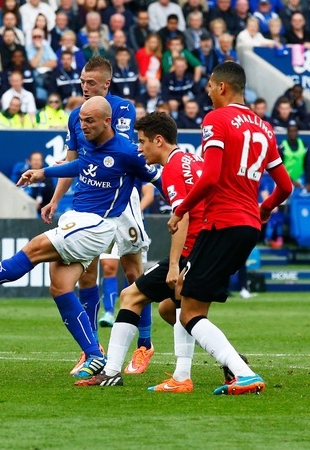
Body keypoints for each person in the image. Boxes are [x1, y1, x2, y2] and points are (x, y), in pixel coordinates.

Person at [0, 97, 162, 382]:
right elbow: (80, 165)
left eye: (89, 121)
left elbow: (158, 179)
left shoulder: (128, 151)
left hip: (98, 225)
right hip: (80, 219)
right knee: (60, 286)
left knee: (34, 248)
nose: (83, 126)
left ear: (107, 121)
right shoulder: (89, 143)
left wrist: (182, 206)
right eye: (81, 120)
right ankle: (94, 354)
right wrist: (43, 173)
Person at [162, 62, 293, 395]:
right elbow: (285, 187)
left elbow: (210, 177)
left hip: (221, 222)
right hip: (248, 226)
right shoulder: (265, 128)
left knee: (188, 311)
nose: (207, 92)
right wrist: (264, 208)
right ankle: (181, 377)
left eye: (209, 85)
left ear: (222, 87)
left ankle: (242, 373)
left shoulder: (216, 119)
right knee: (186, 298)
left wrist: (181, 209)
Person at [44, 56, 157, 376]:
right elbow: (73, 160)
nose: (85, 86)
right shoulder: (75, 117)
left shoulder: (122, 109)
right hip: (90, 199)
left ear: (107, 84)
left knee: (133, 272)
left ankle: (144, 345)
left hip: (122, 196)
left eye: (91, 82)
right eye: (82, 81)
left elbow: (120, 151)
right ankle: (92, 349)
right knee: (87, 273)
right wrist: (55, 199)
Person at [77, 112, 204, 391]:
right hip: (211, 246)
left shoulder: (172, 167)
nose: (139, 147)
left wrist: (174, 264)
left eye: (143, 141)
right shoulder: (193, 160)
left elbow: (183, 217)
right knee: (173, 309)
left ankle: (115, 369)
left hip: (194, 250)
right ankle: (222, 364)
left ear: (158, 140)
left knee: (132, 295)